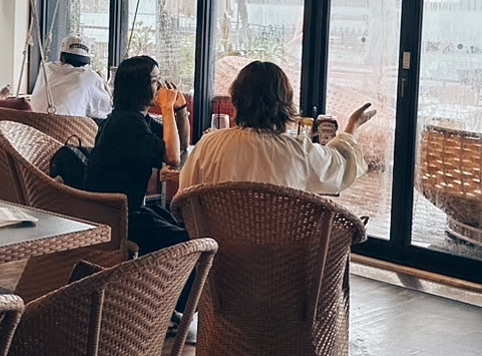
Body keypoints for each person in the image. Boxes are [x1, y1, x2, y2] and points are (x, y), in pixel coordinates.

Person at [179, 61, 372, 195]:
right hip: (283, 244)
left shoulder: (209, 144)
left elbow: (185, 198)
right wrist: (352, 125)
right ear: (285, 103)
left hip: (216, 243)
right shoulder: (299, 151)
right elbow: (343, 166)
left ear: (236, 100)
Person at [84, 55, 191, 255]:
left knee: (184, 228)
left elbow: (181, 144)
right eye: (154, 81)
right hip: (115, 217)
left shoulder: (137, 118)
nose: (160, 87)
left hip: (126, 209)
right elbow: (173, 157)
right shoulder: (126, 124)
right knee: (185, 242)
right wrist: (166, 108)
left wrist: (181, 109)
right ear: (137, 87)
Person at [30, 34, 113, 120]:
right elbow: (105, 109)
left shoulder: (46, 67)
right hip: (67, 125)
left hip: (34, 122)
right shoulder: (90, 76)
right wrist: (103, 83)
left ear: (62, 56)